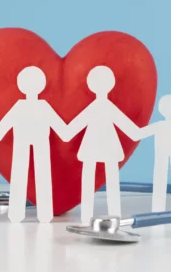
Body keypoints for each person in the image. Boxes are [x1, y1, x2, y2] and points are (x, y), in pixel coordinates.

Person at [63, 66, 142, 224]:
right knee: (110, 180)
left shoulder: (94, 108)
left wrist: (61, 131)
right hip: (107, 146)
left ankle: (88, 216)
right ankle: (113, 214)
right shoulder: (106, 107)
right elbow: (130, 129)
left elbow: (71, 130)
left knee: (92, 180)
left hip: (94, 146)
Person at [0, 66, 68, 223]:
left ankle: (19, 214)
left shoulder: (22, 107)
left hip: (30, 143)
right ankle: (42, 215)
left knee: (23, 174)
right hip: (32, 144)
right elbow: (64, 131)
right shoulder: (40, 107)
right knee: (40, 175)